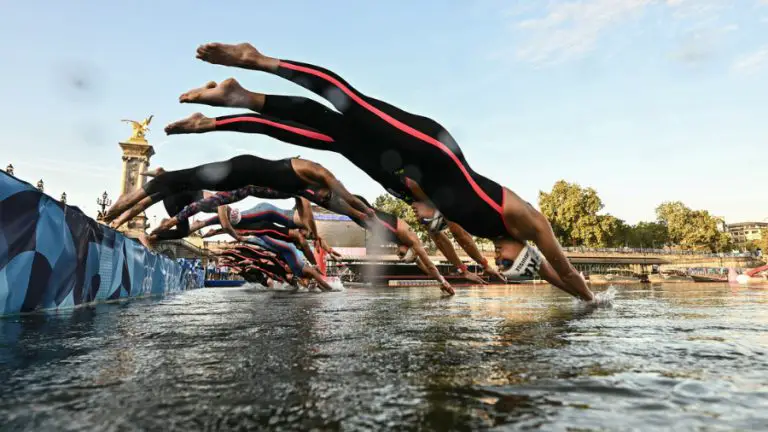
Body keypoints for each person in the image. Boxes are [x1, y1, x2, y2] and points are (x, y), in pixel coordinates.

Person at [167, 42, 594, 301]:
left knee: (326, 134)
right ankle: (257, 59)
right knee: (350, 103)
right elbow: (565, 268)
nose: (498, 267)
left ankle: (236, 103)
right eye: (508, 264)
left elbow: (548, 274)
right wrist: (590, 296)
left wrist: (583, 303)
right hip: (432, 149)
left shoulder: (490, 236)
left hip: (404, 177)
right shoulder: (521, 218)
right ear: (521, 250)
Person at [165, 80, 503, 281]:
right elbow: (450, 236)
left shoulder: (407, 221)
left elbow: (442, 242)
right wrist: (478, 264)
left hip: (344, 169)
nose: (418, 217)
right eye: (426, 216)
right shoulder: (413, 220)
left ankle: (220, 116)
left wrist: (461, 270)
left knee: (302, 132)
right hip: (360, 156)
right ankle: (227, 108)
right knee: (312, 124)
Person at [102, 155, 374, 233]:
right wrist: (358, 207)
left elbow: (337, 202)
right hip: (239, 173)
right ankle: (110, 217)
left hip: (238, 184)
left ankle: (115, 219)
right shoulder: (310, 176)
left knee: (162, 190)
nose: (322, 200)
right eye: (325, 198)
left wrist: (358, 212)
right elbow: (333, 185)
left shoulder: (307, 189)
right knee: (149, 193)